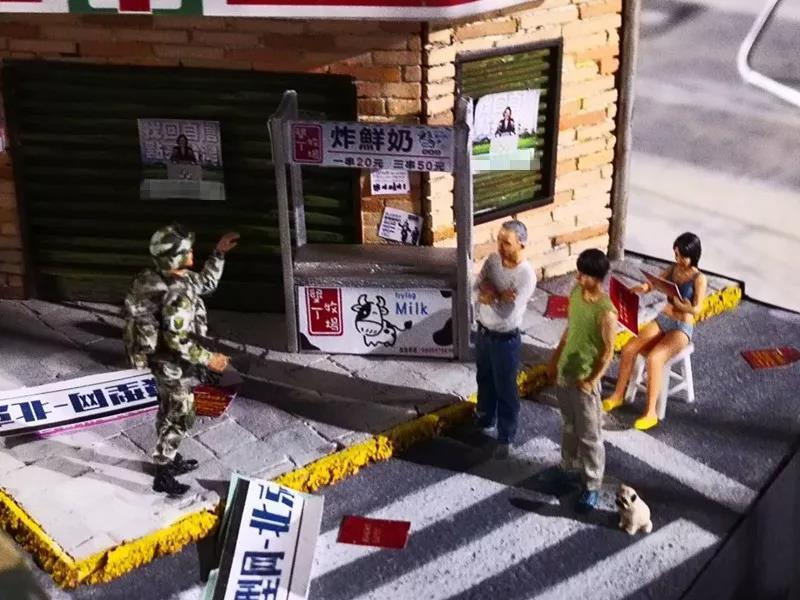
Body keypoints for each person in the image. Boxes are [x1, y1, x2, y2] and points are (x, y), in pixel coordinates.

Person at [124, 224, 240, 496]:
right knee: (181, 415)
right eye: (186, 251)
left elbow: (206, 283)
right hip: (173, 365)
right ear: (174, 258)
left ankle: (169, 456)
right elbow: (177, 340)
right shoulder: (176, 295)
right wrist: (210, 359)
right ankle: (163, 472)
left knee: (167, 408)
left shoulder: (161, 278)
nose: (191, 254)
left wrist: (219, 253)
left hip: (162, 360)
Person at [601, 232, 706, 431]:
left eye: (682, 256)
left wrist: (682, 306)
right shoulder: (674, 269)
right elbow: (655, 283)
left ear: (693, 256)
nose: (678, 260)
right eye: (676, 255)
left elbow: (697, 309)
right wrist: (642, 287)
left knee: (655, 359)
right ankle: (617, 395)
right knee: (629, 348)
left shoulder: (699, 278)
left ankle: (651, 413)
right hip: (664, 319)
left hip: (681, 327)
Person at [546, 249, 617, 513]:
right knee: (568, 426)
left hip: (584, 380)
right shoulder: (576, 294)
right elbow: (569, 330)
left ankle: (592, 485)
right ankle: (567, 467)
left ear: (596, 278)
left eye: (584, 274)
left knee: (590, 436)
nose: (578, 278)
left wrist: (592, 379)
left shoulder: (606, 312)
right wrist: (555, 359)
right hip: (565, 373)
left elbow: (608, 352)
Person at [472, 220, 536, 459]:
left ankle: (506, 436)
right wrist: (494, 295)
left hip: (505, 340)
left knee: (506, 389)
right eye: (498, 240)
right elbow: (474, 289)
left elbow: (507, 312)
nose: (500, 246)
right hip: (483, 332)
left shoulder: (526, 276)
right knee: (484, 379)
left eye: (506, 243)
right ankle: (485, 418)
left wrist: (491, 294)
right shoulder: (492, 261)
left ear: (521, 244)